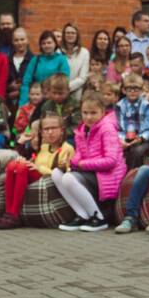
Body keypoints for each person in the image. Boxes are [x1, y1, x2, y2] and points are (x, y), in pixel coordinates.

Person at [52, 91, 125, 232]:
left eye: (93, 113)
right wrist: (71, 162)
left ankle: (98, 218)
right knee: (56, 173)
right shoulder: (82, 130)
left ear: (102, 112)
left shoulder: (107, 129)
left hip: (107, 176)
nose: (88, 117)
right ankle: (82, 215)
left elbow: (111, 161)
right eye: (85, 113)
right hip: (91, 172)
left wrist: (81, 165)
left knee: (68, 178)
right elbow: (80, 154)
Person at [0, 111, 74, 229]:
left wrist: (38, 168)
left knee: (21, 167)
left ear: (62, 130)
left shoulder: (67, 148)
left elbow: (65, 174)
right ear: (42, 132)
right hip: (37, 177)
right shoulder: (44, 147)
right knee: (13, 165)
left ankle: (14, 214)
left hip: (49, 181)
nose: (50, 132)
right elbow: (32, 161)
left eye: (54, 128)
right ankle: (8, 212)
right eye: (46, 129)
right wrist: (23, 153)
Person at [18, 31, 69, 107]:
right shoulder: (35, 60)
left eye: (49, 43)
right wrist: (23, 103)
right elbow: (26, 82)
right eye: (43, 43)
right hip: (36, 100)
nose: (46, 45)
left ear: (55, 43)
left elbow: (64, 80)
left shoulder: (62, 59)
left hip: (55, 100)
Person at [115, 72, 149, 169]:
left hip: (143, 140)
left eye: (136, 89)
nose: (132, 91)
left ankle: (130, 177)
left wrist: (140, 138)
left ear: (141, 90)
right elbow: (118, 127)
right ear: (124, 90)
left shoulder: (146, 105)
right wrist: (122, 140)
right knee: (113, 150)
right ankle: (115, 178)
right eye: (129, 89)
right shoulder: (120, 105)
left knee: (136, 151)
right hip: (124, 139)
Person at [58, 23, 90, 99]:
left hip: (76, 93)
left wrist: (68, 87)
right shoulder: (58, 52)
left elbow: (83, 77)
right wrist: (61, 88)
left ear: (77, 35)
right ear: (64, 35)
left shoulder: (84, 52)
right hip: (59, 91)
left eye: (73, 33)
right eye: (68, 33)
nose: (70, 35)